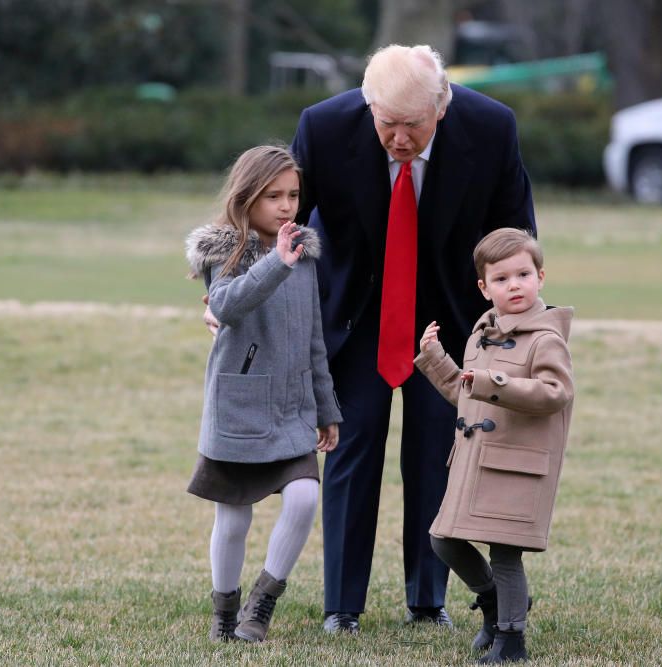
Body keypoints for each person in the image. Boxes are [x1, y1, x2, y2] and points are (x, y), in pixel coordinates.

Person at [204, 44, 535, 633]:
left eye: (413, 126)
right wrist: (233, 296)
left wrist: (520, 321)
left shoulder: (491, 127)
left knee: (437, 455)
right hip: (353, 318)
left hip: (450, 323)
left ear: (444, 105)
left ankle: (428, 603)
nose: (400, 139)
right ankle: (342, 608)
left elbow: (515, 232)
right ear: (367, 104)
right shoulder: (324, 127)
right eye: (387, 124)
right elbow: (278, 222)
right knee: (350, 454)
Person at [185, 145, 342, 643]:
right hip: (240, 406)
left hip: (293, 408)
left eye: (293, 195)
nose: (286, 206)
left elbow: (315, 338)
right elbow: (227, 304)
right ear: (246, 196)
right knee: (233, 520)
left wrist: (326, 408)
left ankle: (263, 601)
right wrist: (274, 262)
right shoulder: (224, 249)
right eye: (273, 195)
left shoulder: (304, 253)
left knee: (303, 498)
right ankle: (225, 613)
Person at [414, 228, 574, 663]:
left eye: (523, 274)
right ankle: (494, 604)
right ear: (484, 288)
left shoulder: (545, 338)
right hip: (474, 460)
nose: (514, 285)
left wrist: (492, 381)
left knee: (505, 552)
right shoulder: (482, 333)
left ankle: (511, 639)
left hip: (516, 464)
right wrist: (437, 359)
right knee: (442, 540)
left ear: (541, 276)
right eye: (502, 279)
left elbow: (555, 391)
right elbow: (468, 394)